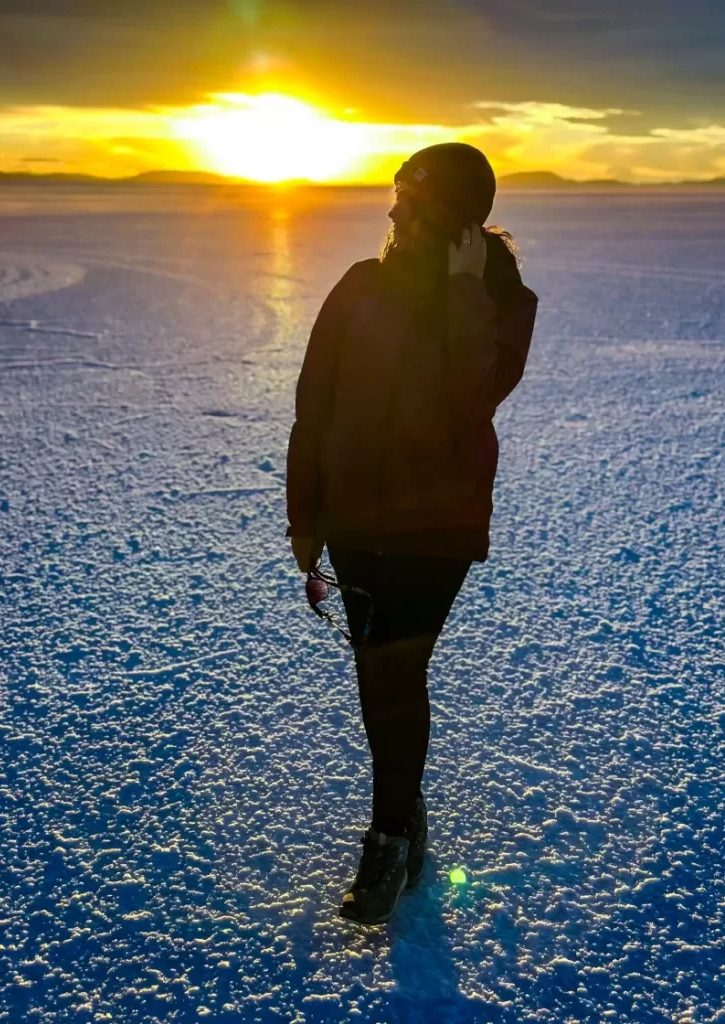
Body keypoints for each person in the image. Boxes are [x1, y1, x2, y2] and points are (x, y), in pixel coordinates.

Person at [285, 143, 538, 925]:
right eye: (393, 195)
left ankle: (390, 834)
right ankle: (403, 815)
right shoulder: (361, 285)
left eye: (413, 200)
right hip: (354, 521)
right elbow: (313, 405)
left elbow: (470, 397)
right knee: (377, 673)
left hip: (437, 522)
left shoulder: (504, 304)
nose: (393, 213)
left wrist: (464, 293)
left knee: (397, 666)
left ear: (458, 218)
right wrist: (305, 519)